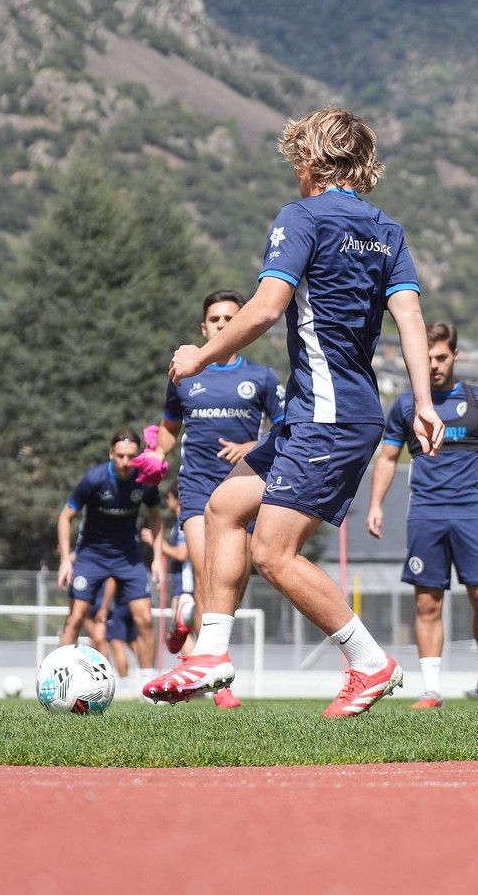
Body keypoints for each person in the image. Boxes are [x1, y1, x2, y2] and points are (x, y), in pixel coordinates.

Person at [143, 108, 438, 717]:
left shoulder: (301, 216)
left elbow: (264, 308)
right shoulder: (387, 229)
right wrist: (424, 403)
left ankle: (369, 662)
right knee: (224, 508)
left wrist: (200, 356)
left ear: (310, 160)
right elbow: (410, 319)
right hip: (334, 412)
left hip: (326, 416)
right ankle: (212, 653)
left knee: (273, 553)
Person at [367, 321, 478, 709]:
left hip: (471, 511)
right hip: (426, 512)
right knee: (427, 603)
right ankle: (432, 689)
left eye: (439, 357)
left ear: (455, 355)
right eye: (426, 358)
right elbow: (386, 457)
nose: (433, 365)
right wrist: (375, 505)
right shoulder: (406, 406)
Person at [156, 289, 282, 703]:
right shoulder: (185, 374)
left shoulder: (261, 377)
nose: (223, 325)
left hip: (242, 493)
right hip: (196, 487)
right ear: (203, 327)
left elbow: (284, 429)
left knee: (231, 584)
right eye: (215, 320)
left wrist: (252, 448)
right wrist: (155, 454)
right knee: (206, 567)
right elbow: (169, 428)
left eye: (231, 318)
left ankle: (189, 614)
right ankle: (217, 683)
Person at [57, 430, 164, 681]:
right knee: (75, 617)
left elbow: (156, 518)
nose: (126, 462)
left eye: (131, 456)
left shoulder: (145, 481)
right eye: (120, 456)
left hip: (128, 557)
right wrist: (65, 560)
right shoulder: (94, 480)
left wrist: (157, 557)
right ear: (110, 454)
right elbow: (65, 517)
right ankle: (58, 677)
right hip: (91, 556)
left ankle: (148, 686)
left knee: (145, 619)